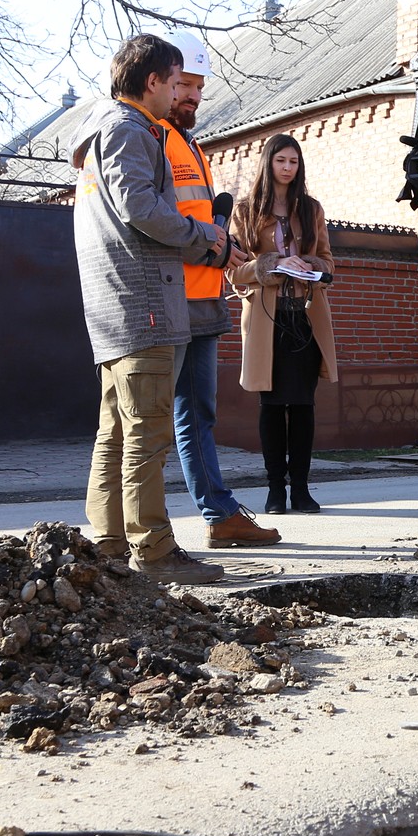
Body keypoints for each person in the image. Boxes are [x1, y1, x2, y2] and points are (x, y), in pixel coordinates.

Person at [71, 33, 227, 585]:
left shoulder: (99, 135)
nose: (180, 93)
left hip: (118, 308)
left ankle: (109, 546)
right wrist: (201, 235)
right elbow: (141, 206)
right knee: (149, 433)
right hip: (145, 303)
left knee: (115, 432)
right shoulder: (130, 129)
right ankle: (155, 551)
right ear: (154, 80)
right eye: (176, 80)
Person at [158, 29, 279, 549]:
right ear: (158, 81)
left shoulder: (191, 144)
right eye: (184, 84)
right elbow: (158, 221)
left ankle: (219, 514)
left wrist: (222, 242)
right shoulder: (147, 137)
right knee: (148, 420)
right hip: (166, 300)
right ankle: (135, 532)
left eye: (199, 87)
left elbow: (196, 218)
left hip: (203, 297)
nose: (193, 96)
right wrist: (214, 245)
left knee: (197, 413)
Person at [228, 134, 338, 516]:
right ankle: (276, 489)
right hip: (266, 318)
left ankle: (302, 490)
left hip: (305, 313)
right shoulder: (246, 210)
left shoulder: (311, 209)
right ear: (269, 163)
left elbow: (328, 263)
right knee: (271, 405)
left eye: (294, 161)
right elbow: (234, 271)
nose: (288, 167)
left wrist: (308, 265)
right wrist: (272, 264)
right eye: (281, 161)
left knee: (303, 404)